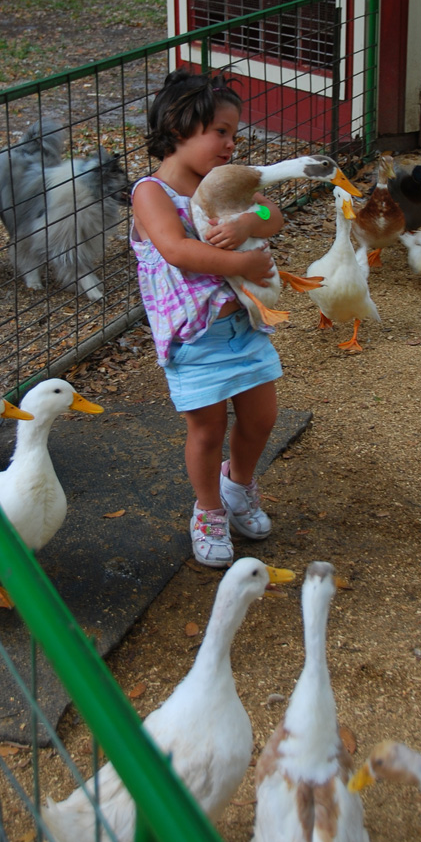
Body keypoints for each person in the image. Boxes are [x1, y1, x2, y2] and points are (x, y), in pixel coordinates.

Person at [130, 70, 284, 568]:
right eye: (220, 132)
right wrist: (241, 262)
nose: (230, 144)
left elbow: (273, 215)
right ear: (178, 127)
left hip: (243, 328)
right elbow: (176, 250)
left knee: (262, 417)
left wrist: (247, 222)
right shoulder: (150, 192)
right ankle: (209, 510)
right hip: (194, 339)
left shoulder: (224, 187)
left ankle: (238, 487)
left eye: (234, 134)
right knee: (207, 429)